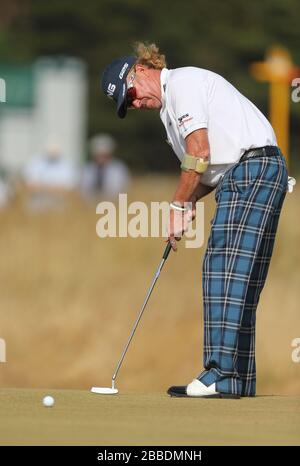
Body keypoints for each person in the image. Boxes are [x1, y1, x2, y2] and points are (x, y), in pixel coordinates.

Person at [101, 42, 289, 399]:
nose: (136, 103)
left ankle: (219, 373)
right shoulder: (168, 119)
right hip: (254, 173)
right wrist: (185, 209)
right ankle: (237, 380)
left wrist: (177, 207)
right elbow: (201, 175)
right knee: (242, 277)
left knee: (221, 267)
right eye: (129, 105)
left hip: (252, 169)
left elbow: (199, 153)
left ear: (141, 70)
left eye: (132, 94)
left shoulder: (183, 84)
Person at [23, 141, 78, 212]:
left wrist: (42, 187)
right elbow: (30, 186)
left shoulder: (67, 165)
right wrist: (55, 188)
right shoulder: (35, 162)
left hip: (60, 207)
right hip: (38, 206)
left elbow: (69, 189)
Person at [81, 133, 130, 201]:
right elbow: (83, 188)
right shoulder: (88, 168)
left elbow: (122, 189)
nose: (101, 158)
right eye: (98, 154)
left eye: (104, 155)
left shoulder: (118, 169)